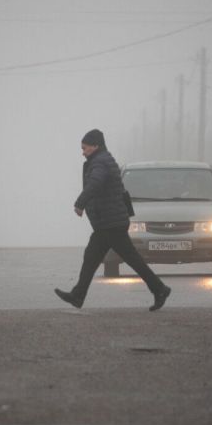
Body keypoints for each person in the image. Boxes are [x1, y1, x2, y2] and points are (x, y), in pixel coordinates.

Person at [54, 129, 171, 311]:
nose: (82, 152)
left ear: (95, 146)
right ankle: (159, 289)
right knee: (96, 257)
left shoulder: (100, 163)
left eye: (85, 148)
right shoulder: (103, 160)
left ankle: (160, 289)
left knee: (117, 258)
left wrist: (80, 203)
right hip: (109, 221)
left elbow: (95, 183)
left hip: (110, 223)